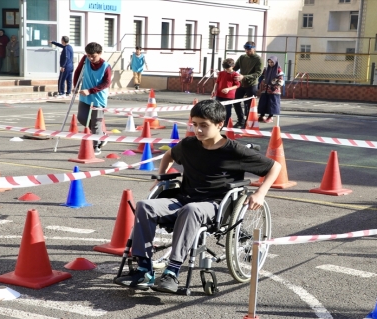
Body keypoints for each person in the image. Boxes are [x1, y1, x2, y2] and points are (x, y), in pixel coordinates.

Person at [114, 99, 282, 293]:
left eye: (204, 125)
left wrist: (261, 193)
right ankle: (144, 269)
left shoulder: (234, 151)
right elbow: (169, 155)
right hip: (184, 199)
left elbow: (274, 167)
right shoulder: (189, 145)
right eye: (195, 125)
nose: (198, 130)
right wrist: (160, 179)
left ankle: (172, 272)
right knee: (145, 205)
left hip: (216, 206)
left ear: (220, 124)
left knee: (191, 210)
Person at [73, 42, 112, 155]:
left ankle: (96, 145)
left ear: (100, 53)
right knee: (82, 118)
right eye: (88, 55)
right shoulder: (85, 59)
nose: (90, 58)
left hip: (98, 97)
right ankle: (101, 135)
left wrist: (90, 91)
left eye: (93, 56)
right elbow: (78, 72)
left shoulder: (106, 66)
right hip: (85, 96)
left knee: (96, 123)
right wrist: (75, 86)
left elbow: (107, 83)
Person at [232, 41, 263, 129]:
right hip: (241, 84)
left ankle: (247, 122)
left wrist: (244, 77)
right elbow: (234, 68)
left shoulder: (258, 59)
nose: (247, 51)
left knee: (250, 104)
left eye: (249, 49)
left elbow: (258, 73)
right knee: (236, 101)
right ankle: (240, 120)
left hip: (252, 84)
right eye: (245, 49)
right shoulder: (242, 57)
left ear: (254, 48)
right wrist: (226, 70)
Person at [257, 56, 284, 123]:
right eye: (269, 62)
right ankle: (262, 115)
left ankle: (270, 117)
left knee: (271, 103)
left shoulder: (278, 70)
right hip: (265, 88)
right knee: (263, 102)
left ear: (275, 62)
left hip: (274, 90)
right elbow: (262, 77)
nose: (270, 63)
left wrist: (275, 84)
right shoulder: (266, 69)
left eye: (272, 62)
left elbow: (281, 79)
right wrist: (260, 83)